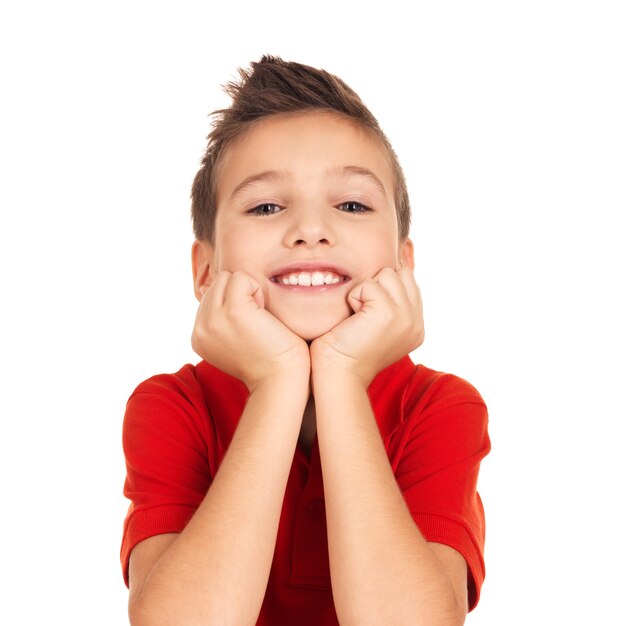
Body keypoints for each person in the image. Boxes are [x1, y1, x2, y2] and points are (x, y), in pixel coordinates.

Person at [120, 55, 490, 626]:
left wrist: (340, 374)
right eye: (267, 206)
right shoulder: (170, 406)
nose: (311, 230)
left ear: (402, 264)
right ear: (205, 271)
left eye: (352, 205)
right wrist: (276, 382)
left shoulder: (441, 407)